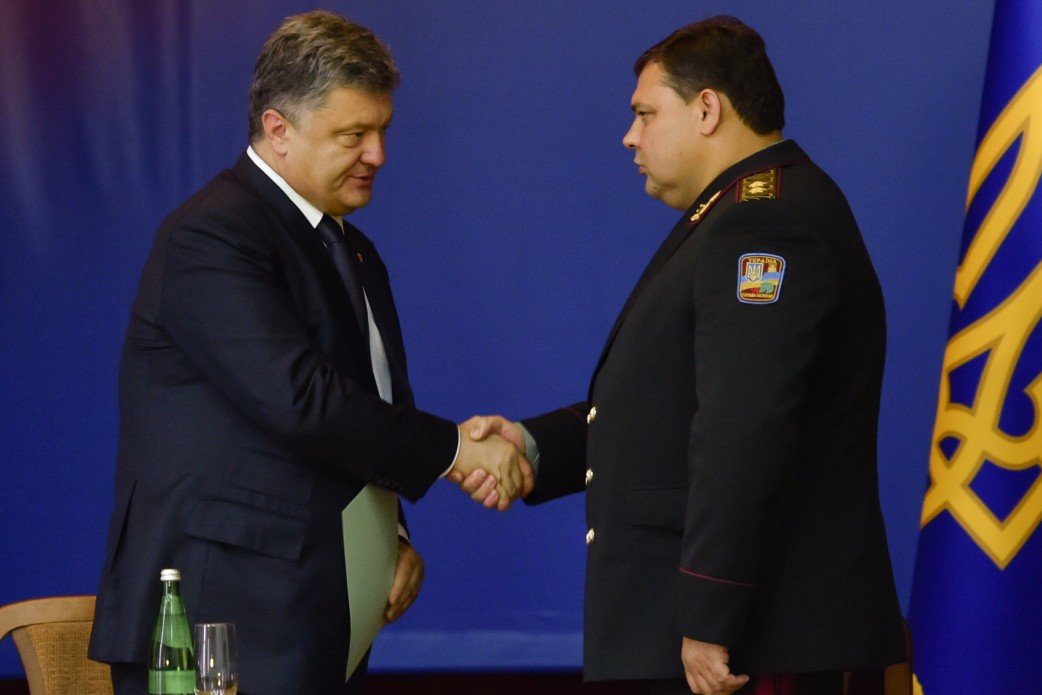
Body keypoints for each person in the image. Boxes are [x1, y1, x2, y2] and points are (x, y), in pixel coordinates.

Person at [87, 11, 530, 695]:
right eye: (354, 135)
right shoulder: (211, 236)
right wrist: (456, 451)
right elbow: (301, 400)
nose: (378, 154)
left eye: (382, 130)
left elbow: (370, 405)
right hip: (219, 620)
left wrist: (392, 535)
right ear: (278, 129)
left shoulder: (352, 249)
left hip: (315, 614)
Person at [461, 16, 906, 695]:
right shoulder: (733, 213)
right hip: (736, 637)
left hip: (750, 644)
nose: (629, 136)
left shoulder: (764, 221)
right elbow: (668, 407)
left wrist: (708, 613)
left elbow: (744, 426)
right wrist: (532, 445)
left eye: (645, 113)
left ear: (706, 109)